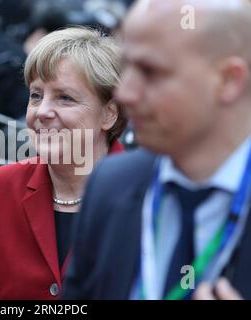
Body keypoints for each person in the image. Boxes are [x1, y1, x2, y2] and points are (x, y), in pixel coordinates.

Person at [63, 0, 251, 300]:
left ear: (228, 80)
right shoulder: (111, 185)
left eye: (151, 72)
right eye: (127, 68)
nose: (125, 93)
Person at [0, 27, 126, 300]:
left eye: (64, 97)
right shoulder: (0, 188)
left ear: (109, 114)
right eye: (36, 95)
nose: (41, 112)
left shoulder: (147, 193)